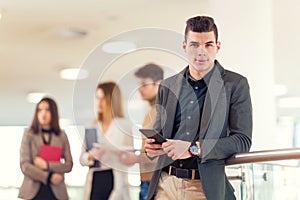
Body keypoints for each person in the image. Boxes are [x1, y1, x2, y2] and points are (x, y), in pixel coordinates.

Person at [145, 16, 252, 200]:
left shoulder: (235, 84)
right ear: (184, 46)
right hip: (164, 184)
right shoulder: (167, 86)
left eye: (208, 44)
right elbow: (160, 134)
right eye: (194, 45)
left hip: (203, 187)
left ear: (217, 47)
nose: (201, 52)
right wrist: (152, 148)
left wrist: (194, 148)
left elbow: (242, 141)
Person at [80, 81, 133, 200]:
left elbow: (131, 158)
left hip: (114, 177)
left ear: (112, 100)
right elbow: (82, 159)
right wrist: (90, 156)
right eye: (97, 98)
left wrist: (111, 150)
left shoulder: (124, 126)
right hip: (95, 178)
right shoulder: (91, 126)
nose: (99, 102)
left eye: (103, 98)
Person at [118, 63, 164, 200]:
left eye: (144, 84)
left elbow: (163, 150)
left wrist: (136, 158)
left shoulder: (162, 112)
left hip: (157, 182)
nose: (140, 89)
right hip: (146, 180)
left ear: (158, 83)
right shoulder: (150, 112)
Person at [18, 97, 73, 200]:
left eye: (47, 110)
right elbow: (25, 165)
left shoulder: (62, 136)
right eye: (40, 110)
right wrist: (48, 177)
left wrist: (47, 165)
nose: (43, 113)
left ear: (53, 112)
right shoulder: (28, 134)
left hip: (57, 191)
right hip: (32, 192)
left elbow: (69, 165)